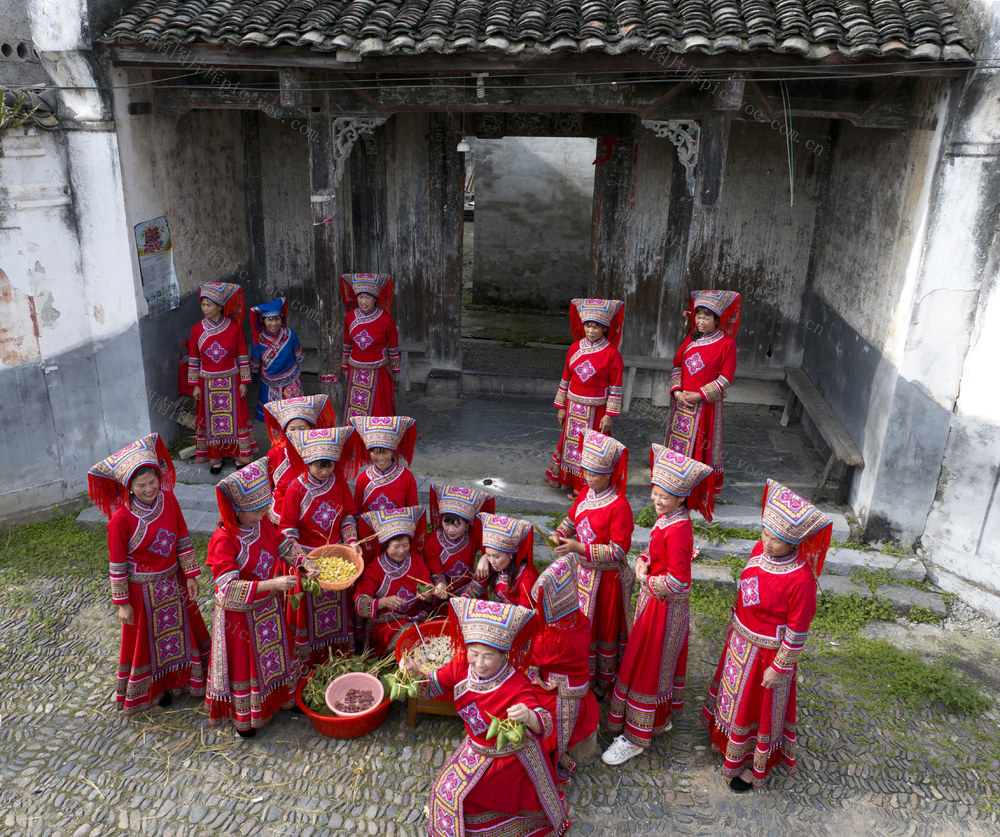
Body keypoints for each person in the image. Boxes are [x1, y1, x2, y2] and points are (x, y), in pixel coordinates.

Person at [701, 479, 832, 792]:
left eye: (778, 540)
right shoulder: (760, 551)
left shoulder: (801, 581)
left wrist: (779, 667)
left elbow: (798, 631)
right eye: (765, 534)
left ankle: (750, 765)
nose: (768, 543)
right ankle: (728, 742)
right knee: (734, 701)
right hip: (740, 643)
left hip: (767, 656)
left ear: (794, 543)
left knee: (757, 710)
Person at [405, 597, 571, 837]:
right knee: (444, 793)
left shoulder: (516, 684)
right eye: (474, 653)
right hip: (477, 748)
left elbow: (545, 723)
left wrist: (528, 715)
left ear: (504, 654)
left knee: (468, 802)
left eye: (488, 656)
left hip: (511, 758)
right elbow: (432, 686)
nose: (480, 664)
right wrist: (415, 673)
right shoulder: (462, 665)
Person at [602, 445, 714, 765]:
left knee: (650, 665)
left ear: (681, 498)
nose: (656, 499)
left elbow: (680, 582)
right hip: (654, 604)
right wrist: (642, 561)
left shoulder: (678, 530)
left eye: (664, 495)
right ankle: (657, 719)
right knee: (648, 661)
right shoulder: (669, 519)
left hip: (664, 609)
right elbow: (658, 556)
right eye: (654, 491)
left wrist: (645, 581)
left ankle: (637, 736)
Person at [87, 433, 211, 716]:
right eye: (141, 485)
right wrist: (122, 604)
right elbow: (117, 564)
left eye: (152, 481)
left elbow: (181, 535)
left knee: (181, 634)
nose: (149, 489)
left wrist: (191, 573)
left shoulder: (169, 500)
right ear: (129, 487)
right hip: (142, 592)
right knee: (149, 642)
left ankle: (185, 681)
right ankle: (158, 688)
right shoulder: (119, 520)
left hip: (174, 582)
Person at [206, 459, 317, 738]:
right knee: (249, 665)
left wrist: (303, 561)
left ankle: (283, 699)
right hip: (240, 618)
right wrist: (272, 583)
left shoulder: (262, 523)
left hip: (267, 607)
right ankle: (247, 718)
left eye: (264, 508)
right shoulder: (223, 540)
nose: (263, 514)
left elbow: (281, 544)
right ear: (237, 509)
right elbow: (225, 589)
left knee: (275, 656)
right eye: (256, 511)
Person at [551, 429, 634, 694]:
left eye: (594, 473)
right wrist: (560, 534)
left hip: (608, 580)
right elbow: (572, 519)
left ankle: (603, 681)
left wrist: (579, 547)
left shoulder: (619, 506)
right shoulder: (585, 493)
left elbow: (619, 551)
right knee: (581, 625)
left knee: (603, 628)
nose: (587, 477)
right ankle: (580, 673)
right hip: (582, 574)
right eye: (585, 471)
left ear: (609, 473)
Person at [280, 426, 365, 664]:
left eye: (330, 465)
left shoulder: (337, 482)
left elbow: (348, 514)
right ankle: (311, 662)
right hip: (307, 559)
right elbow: (287, 531)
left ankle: (339, 656)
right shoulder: (296, 490)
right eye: (320, 465)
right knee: (309, 610)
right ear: (307, 463)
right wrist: (302, 560)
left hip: (338, 557)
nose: (326, 471)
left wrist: (352, 540)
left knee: (338, 610)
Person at [526, 558, 599, 781]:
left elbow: (530, 655)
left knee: (522, 702)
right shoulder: (579, 620)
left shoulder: (554, 640)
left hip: (558, 695)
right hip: (576, 686)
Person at [545, 298, 624, 499]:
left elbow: (616, 386)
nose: (591, 330)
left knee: (592, 450)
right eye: (588, 325)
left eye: (596, 326)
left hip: (597, 411)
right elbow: (566, 377)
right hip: (573, 408)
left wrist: (610, 415)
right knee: (571, 447)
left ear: (604, 328)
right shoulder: (574, 348)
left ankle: (587, 489)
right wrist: (561, 406)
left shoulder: (612, 354)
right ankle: (570, 483)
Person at [665, 289, 741, 498]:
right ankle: (676, 481)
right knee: (679, 442)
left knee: (702, 443)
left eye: (707, 317)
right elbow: (677, 365)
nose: (701, 321)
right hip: (682, 402)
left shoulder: (727, 344)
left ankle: (698, 486)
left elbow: (725, 379)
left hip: (706, 405)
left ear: (717, 319)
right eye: (698, 316)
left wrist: (699, 395)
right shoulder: (691, 339)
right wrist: (678, 391)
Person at [353, 506, 443, 655]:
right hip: (386, 624)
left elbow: (428, 587)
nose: (402, 551)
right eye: (396, 547)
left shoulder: (415, 560)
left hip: (415, 618)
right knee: (410, 635)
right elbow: (359, 603)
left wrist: (428, 596)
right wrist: (382, 602)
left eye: (405, 545)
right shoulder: (375, 567)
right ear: (385, 547)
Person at [187, 281, 256, 474]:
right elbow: (194, 357)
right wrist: (195, 385)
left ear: (219, 306)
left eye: (209, 305)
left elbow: (242, 355)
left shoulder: (234, 328)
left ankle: (238, 456)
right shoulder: (197, 330)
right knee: (211, 422)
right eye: (203, 304)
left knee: (235, 419)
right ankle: (215, 459)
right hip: (207, 382)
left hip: (231, 381)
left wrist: (244, 381)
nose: (205, 309)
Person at [351, 416, 419, 562]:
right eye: (375, 452)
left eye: (385, 452)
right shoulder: (363, 478)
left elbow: (412, 512)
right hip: (369, 537)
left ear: (394, 452)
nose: (380, 458)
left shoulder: (406, 478)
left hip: (397, 539)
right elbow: (356, 511)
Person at [262, 395, 337, 526]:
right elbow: (267, 484)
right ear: (284, 430)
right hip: (282, 513)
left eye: (302, 429)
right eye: (292, 429)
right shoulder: (275, 454)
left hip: (314, 512)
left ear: (312, 429)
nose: (296, 434)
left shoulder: (321, 451)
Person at [340, 273, 400, 420]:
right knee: (357, 405)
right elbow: (347, 343)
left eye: (368, 297)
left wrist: (395, 369)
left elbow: (393, 346)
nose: (364, 301)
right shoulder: (350, 317)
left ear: (375, 299)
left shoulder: (386, 320)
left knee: (379, 407)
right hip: (356, 368)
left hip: (378, 370)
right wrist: (344, 366)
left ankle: (380, 434)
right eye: (360, 297)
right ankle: (357, 435)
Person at [424, 483, 495, 600]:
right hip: (444, 594)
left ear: (467, 524)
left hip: (469, 590)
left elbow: (492, 546)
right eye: (446, 524)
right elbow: (436, 572)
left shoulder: (473, 535)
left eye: (457, 525)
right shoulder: (432, 542)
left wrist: (485, 557)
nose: (451, 530)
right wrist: (440, 584)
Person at [249, 297, 305, 422]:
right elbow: (300, 357)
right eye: (269, 320)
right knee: (273, 420)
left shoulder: (290, 334)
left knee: (294, 416)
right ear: (263, 320)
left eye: (277, 319)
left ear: (282, 319)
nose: (274, 324)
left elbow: (255, 367)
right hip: (270, 383)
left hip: (291, 380)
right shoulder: (257, 339)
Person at [471, 514, 539, 608]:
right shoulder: (495, 565)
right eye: (488, 555)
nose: (491, 561)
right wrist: (463, 598)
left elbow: (525, 611)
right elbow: (477, 585)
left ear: (510, 554)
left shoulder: (527, 577)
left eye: (496, 556)